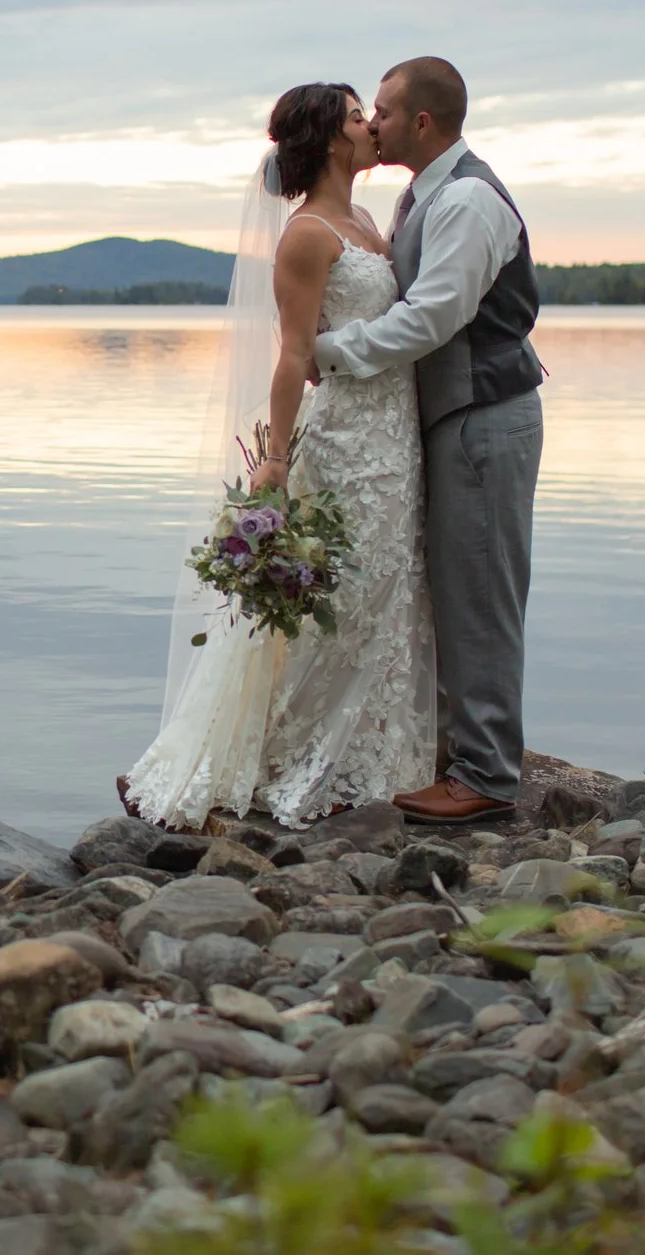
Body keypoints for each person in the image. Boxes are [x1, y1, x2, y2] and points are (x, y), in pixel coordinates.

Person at [120, 82, 436, 829]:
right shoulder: (305, 235)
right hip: (346, 439)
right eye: (359, 116)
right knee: (343, 599)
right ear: (331, 138)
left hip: (393, 433)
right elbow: (292, 354)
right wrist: (277, 462)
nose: (370, 127)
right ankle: (297, 759)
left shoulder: (364, 218)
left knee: (389, 592)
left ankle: (380, 753)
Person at [314, 56, 543, 826]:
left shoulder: (470, 200)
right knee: (449, 586)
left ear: (419, 122)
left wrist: (334, 353)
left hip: (485, 414)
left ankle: (486, 774)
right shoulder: (422, 195)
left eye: (379, 109)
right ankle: (457, 755)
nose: (370, 122)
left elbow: (434, 315)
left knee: (480, 590)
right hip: (454, 416)